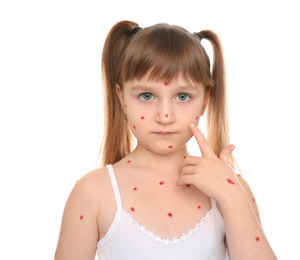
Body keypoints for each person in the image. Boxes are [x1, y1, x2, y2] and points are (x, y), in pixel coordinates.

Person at [55, 20, 277, 259]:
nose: (165, 115)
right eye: (147, 95)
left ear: (205, 100)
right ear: (121, 98)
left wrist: (231, 196)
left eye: (183, 96)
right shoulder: (92, 192)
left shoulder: (232, 189)